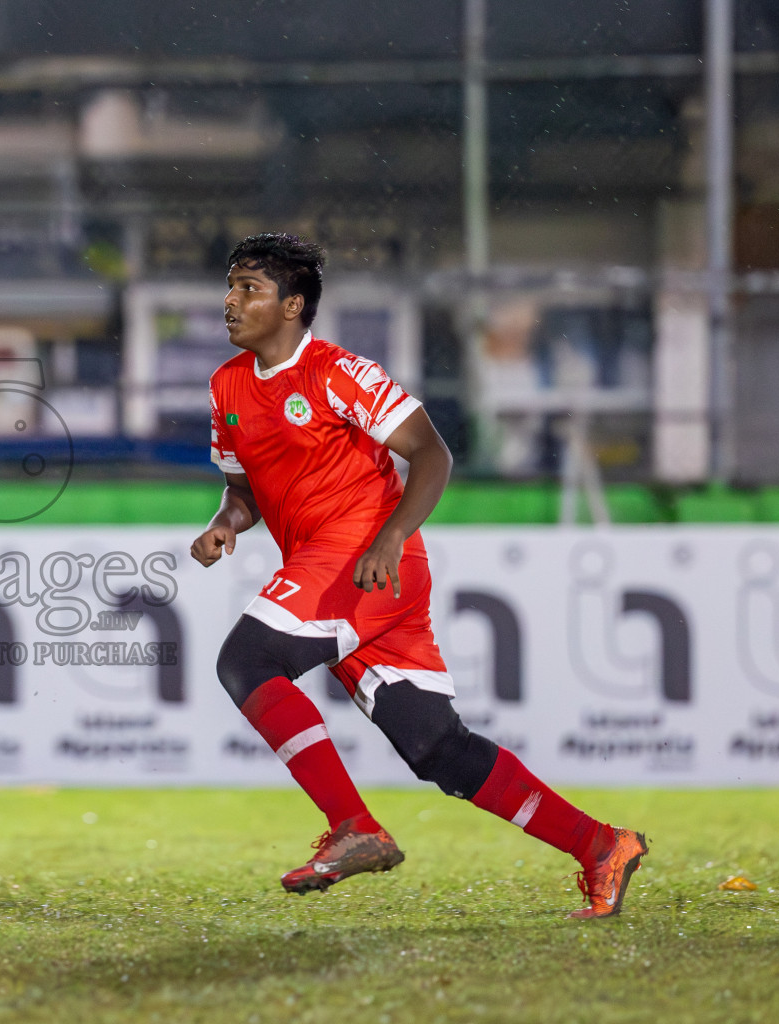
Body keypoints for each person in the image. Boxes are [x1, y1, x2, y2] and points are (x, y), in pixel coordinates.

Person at [192, 233, 647, 919]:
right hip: (343, 575)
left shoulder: (337, 371)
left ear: (291, 306)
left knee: (246, 662)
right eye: (230, 286)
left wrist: (394, 535)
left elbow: (432, 454)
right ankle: (602, 845)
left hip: (366, 559)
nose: (230, 301)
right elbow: (244, 491)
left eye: (247, 289)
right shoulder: (226, 386)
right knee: (438, 748)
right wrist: (227, 522)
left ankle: (356, 828)